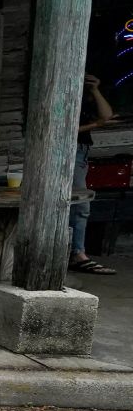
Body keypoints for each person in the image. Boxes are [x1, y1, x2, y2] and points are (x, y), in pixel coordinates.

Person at [70, 74, 116, 275]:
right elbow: (65, 130)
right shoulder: (64, 96)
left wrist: (95, 89)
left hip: (82, 152)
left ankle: (76, 252)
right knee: (81, 205)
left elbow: (106, 115)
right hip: (70, 151)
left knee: (79, 204)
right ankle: (78, 254)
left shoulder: (87, 99)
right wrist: (96, 125)